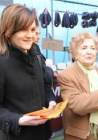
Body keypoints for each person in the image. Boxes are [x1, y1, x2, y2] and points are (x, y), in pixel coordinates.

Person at [0, 4, 54, 140]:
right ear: (9, 30)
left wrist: (51, 100)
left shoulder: (35, 55)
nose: (30, 36)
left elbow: (44, 82)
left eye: (33, 29)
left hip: (43, 133)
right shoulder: (2, 63)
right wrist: (19, 120)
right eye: (24, 30)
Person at [34, 26, 56, 139]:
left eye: (38, 33)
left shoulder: (37, 53)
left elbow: (44, 82)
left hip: (41, 125)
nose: (37, 36)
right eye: (34, 32)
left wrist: (51, 99)